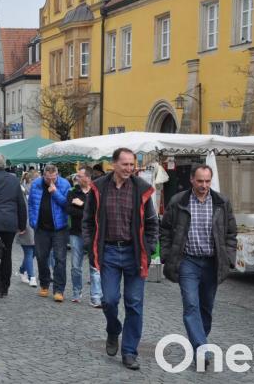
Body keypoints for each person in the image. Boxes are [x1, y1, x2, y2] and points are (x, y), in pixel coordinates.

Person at [82, 147, 159, 370]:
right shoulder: (99, 188)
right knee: (109, 300)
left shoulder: (141, 189)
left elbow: (153, 223)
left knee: (134, 304)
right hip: (109, 252)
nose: (129, 168)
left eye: (131, 164)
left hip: (134, 252)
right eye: (124, 164)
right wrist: (89, 245)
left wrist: (149, 246)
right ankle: (113, 329)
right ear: (113, 164)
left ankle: (129, 352)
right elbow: (87, 221)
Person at [160, 164, 237, 370]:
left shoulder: (221, 202)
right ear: (192, 180)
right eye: (200, 181)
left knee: (206, 308)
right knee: (191, 305)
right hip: (188, 261)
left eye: (207, 181)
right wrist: (167, 255)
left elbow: (231, 232)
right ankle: (202, 348)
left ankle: (197, 345)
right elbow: (165, 229)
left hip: (212, 262)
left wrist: (229, 257)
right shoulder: (178, 201)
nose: (204, 185)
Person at [0, 153, 28, 298]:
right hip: (10, 222)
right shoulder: (14, 180)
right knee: (7, 255)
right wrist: (22, 224)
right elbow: (21, 203)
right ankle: (5, 286)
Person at [29, 164, 71, 302]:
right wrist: (32, 221)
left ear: (57, 175)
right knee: (41, 257)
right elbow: (31, 203)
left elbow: (67, 204)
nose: (51, 181)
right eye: (48, 179)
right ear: (44, 176)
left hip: (59, 228)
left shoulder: (64, 184)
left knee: (60, 259)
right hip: (41, 228)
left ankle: (59, 290)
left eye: (54, 178)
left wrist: (55, 192)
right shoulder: (36, 184)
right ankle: (45, 284)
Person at [66, 166, 102, 306]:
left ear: (87, 177)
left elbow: (98, 212)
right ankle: (76, 292)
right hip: (76, 232)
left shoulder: (96, 192)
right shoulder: (73, 192)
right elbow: (69, 210)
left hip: (94, 233)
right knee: (76, 266)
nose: (77, 178)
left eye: (79, 176)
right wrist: (86, 209)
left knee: (95, 267)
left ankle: (96, 297)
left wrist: (81, 205)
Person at [16, 170, 38, 287]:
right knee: (29, 252)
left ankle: (21, 270)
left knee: (34, 252)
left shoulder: (37, 192)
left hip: (35, 225)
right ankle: (32, 277)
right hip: (25, 225)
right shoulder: (21, 192)